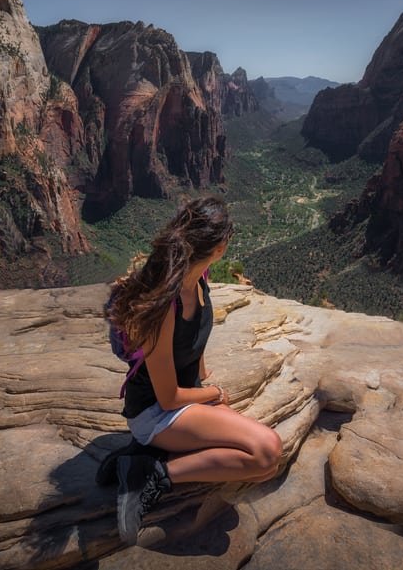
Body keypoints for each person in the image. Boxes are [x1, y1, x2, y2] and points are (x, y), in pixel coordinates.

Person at [105, 195, 283, 545]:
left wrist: (204, 384)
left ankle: (151, 458)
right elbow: (169, 398)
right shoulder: (164, 304)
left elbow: (194, 341)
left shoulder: (198, 278)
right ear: (218, 248)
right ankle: (149, 474)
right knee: (266, 450)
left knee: (266, 464)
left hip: (185, 403)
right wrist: (213, 395)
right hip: (155, 413)